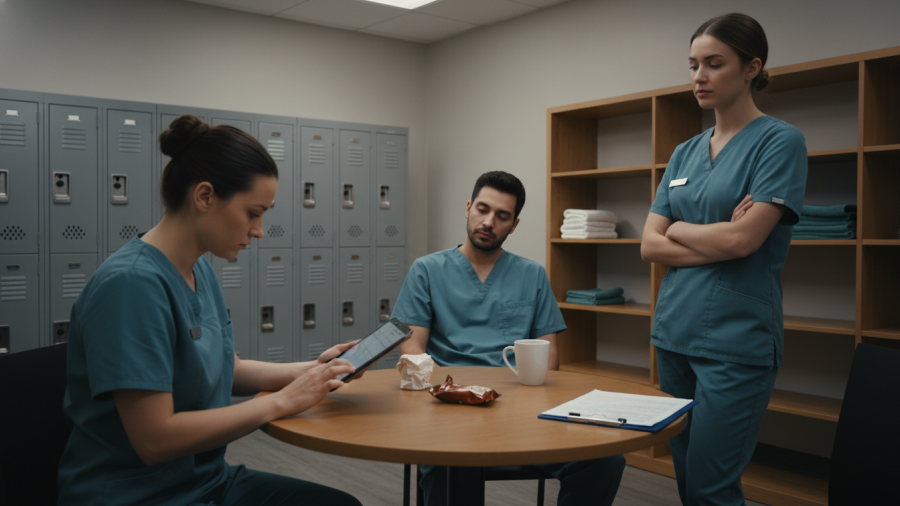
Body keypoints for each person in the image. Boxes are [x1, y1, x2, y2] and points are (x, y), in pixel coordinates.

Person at [57, 115, 362, 506]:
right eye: (253, 213)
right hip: (137, 495)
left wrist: (312, 373)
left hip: (203, 481)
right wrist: (282, 401)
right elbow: (155, 439)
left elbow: (223, 368)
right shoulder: (130, 286)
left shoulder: (197, 267)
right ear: (204, 197)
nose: (260, 230)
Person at [640, 13, 808, 506]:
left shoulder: (780, 142)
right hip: (674, 334)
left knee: (713, 484)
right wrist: (715, 233)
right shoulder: (684, 152)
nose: (699, 76)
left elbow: (744, 243)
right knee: (688, 478)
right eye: (693, 65)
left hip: (736, 342)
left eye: (714, 64)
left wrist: (680, 227)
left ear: (752, 67)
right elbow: (649, 245)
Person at [392, 171, 625, 506]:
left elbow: (550, 355)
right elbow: (412, 346)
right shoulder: (427, 270)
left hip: (519, 412)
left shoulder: (532, 275)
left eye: (502, 216)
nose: (489, 222)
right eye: (483, 210)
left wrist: (527, 403)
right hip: (449, 412)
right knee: (455, 465)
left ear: (514, 225)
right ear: (468, 208)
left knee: (604, 461)